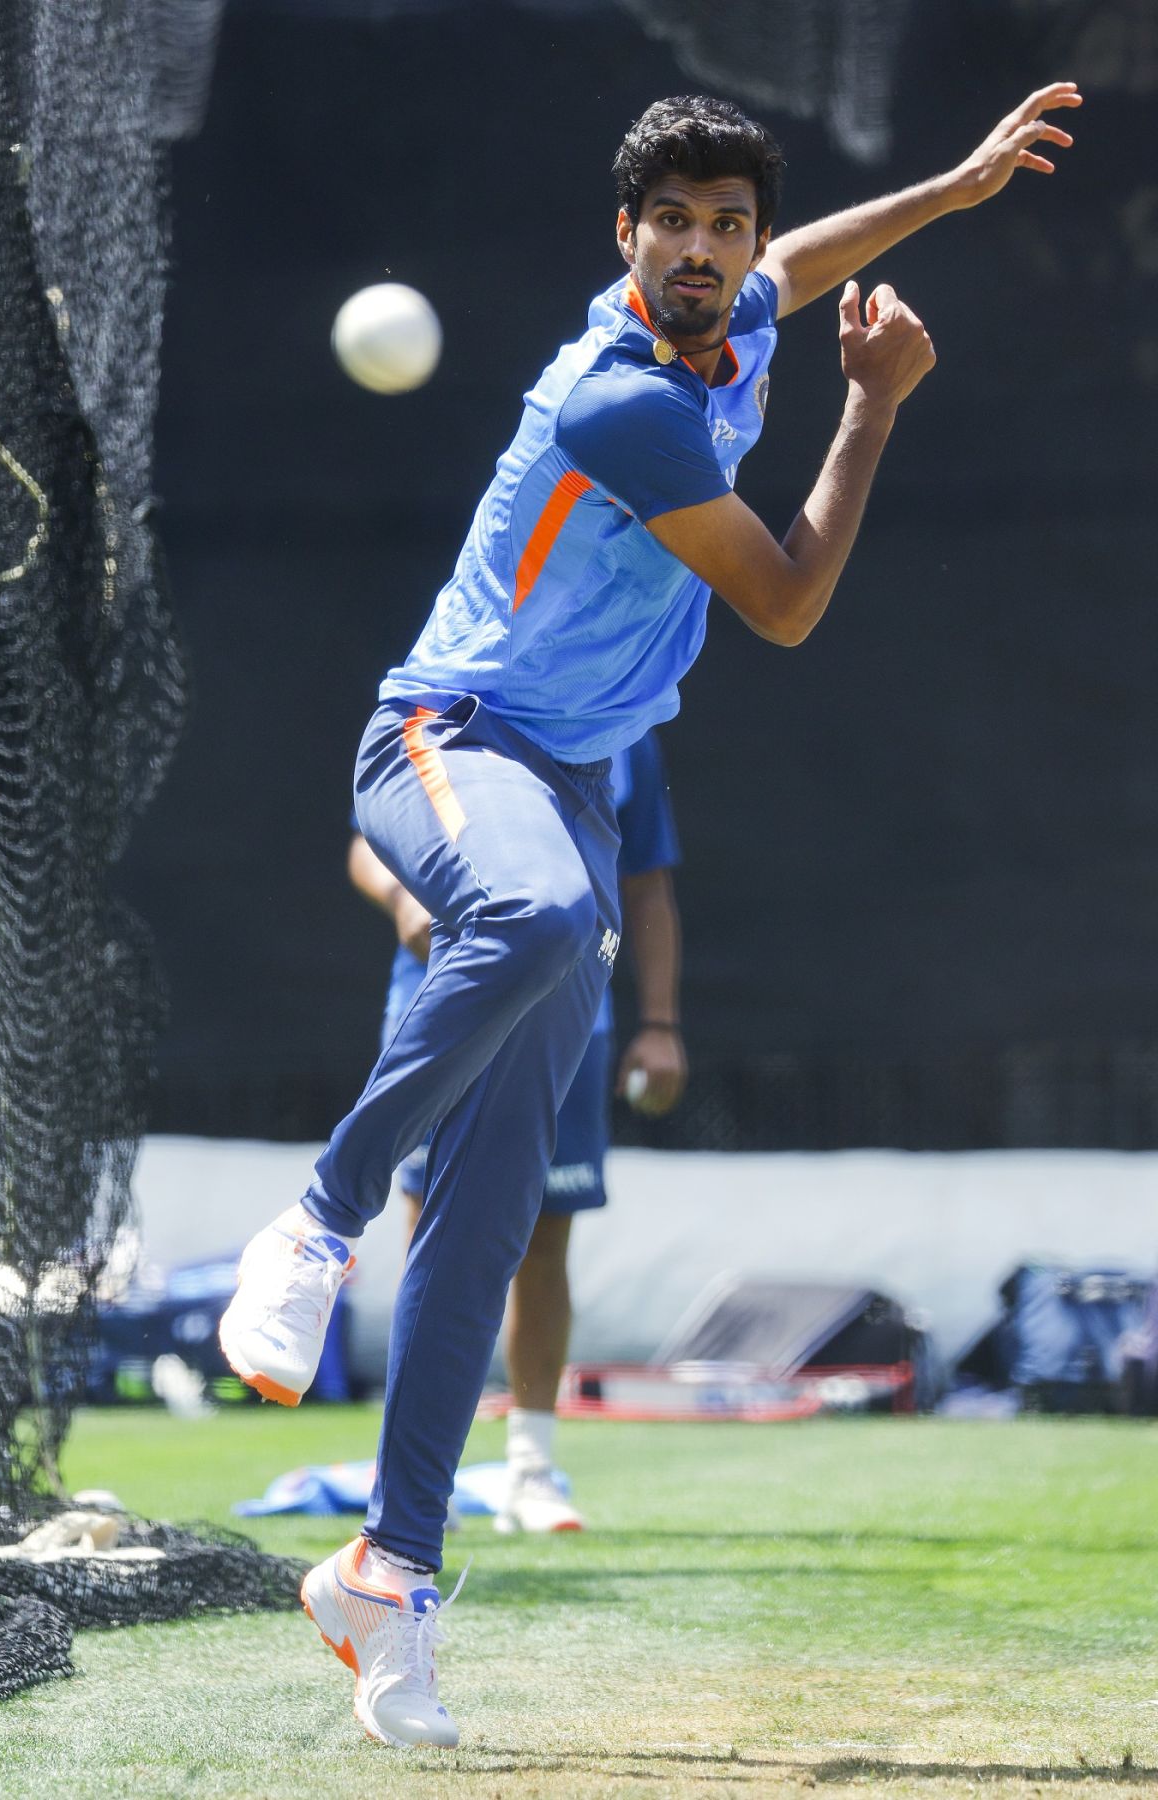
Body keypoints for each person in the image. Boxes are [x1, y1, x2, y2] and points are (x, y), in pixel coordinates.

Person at [219, 84, 1080, 1748]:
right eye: (669, 222)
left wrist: (960, 189)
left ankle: (388, 1581)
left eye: (726, 224)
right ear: (624, 240)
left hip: (581, 788)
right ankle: (317, 1217)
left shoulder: (746, 302)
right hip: (450, 738)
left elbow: (811, 259)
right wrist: (877, 411)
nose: (703, 250)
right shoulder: (622, 398)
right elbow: (783, 603)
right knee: (534, 926)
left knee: (486, 1215)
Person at [348, 727, 687, 1534]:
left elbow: (646, 883)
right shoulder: (450, 694)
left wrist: (662, 1022)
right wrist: (403, 896)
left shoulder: (629, 720)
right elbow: (371, 832)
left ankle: (533, 1469)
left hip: (573, 1009)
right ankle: (419, 1474)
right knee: (430, 1229)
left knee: (542, 1238)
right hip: (441, 1002)